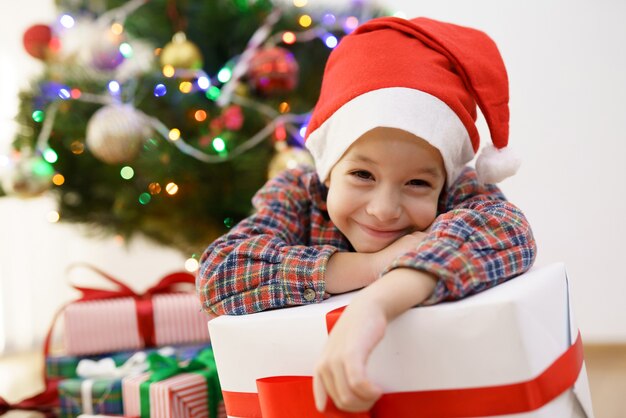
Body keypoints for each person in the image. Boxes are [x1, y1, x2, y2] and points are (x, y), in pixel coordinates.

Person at [197, 16, 536, 413]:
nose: (384, 209)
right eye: (362, 174)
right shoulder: (298, 196)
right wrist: (372, 266)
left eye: (417, 184)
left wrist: (375, 305)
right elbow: (218, 271)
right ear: (328, 167)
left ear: (442, 181)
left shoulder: (457, 191)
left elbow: (509, 230)